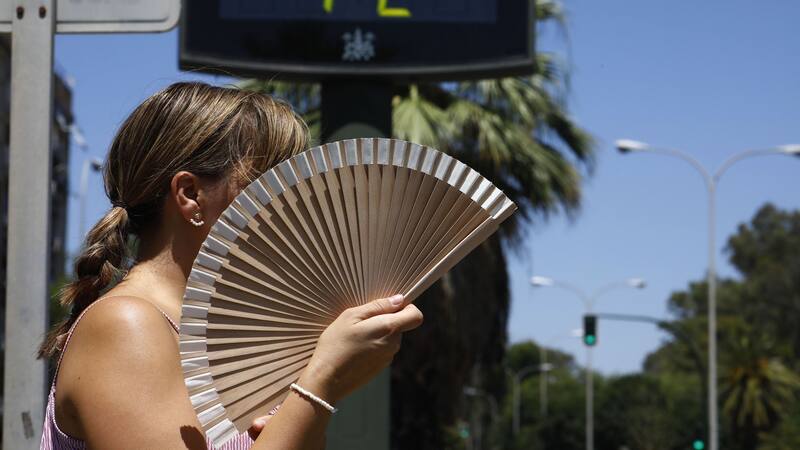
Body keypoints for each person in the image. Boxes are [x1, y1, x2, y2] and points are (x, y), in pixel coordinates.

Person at [38, 81, 424, 449]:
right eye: (272, 186)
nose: (297, 207)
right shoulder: (128, 325)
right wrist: (322, 380)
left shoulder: (224, 341)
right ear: (191, 195)